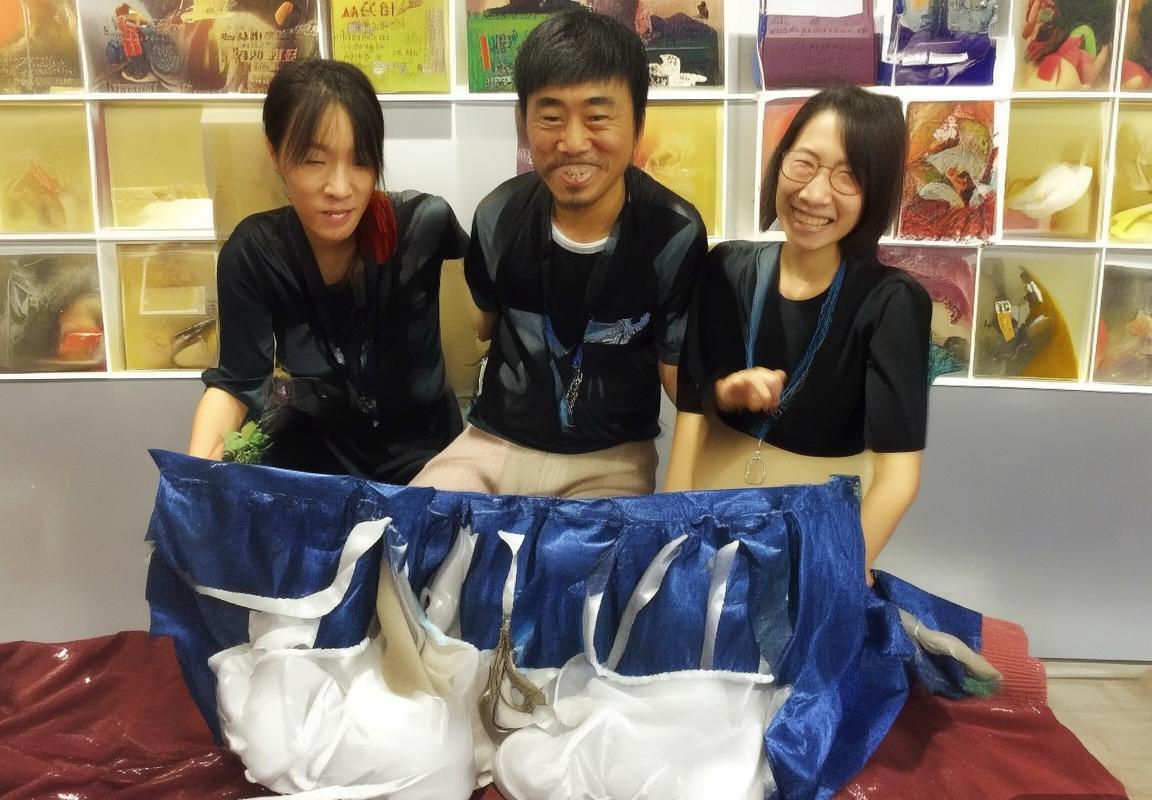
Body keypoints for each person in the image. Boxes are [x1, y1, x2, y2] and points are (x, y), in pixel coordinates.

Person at [410, 8, 707, 498]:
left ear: (638, 122)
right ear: (523, 121)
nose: (572, 142)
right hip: (494, 444)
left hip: (610, 459)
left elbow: (679, 374)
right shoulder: (498, 215)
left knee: (583, 551)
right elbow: (482, 324)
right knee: (411, 525)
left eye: (597, 117)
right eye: (550, 117)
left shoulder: (673, 232)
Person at [665, 85, 931, 584]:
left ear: (876, 191)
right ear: (780, 161)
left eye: (848, 176)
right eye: (804, 163)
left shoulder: (893, 302)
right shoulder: (725, 267)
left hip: (815, 533)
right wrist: (668, 538)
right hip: (709, 513)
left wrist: (836, 575)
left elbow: (899, 479)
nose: (814, 193)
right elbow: (692, 413)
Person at [187, 58, 469, 481]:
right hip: (313, 468)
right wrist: (194, 479)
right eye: (314, 161)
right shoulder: (255, 253)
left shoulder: (422, 226)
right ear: (275, 153)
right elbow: (237, 383)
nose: (339, 188)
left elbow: (492, 304)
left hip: (425, 464)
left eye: (360, 161)